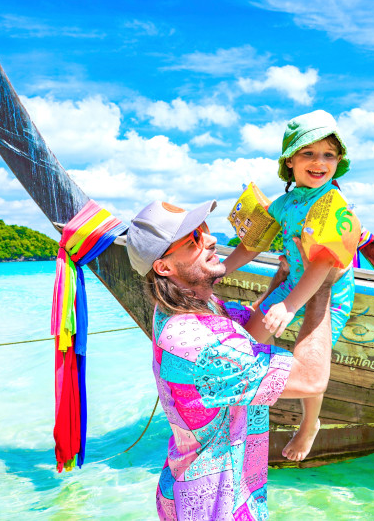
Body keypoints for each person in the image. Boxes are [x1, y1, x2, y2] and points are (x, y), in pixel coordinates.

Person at [127, 199, 338, 521]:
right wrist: (322, 286)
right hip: (214, 503)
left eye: (205, 230)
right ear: (164, 267)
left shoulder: (191, 308)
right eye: (194, 239)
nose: (210, 239)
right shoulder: (197, 341)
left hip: (203, 487)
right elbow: (310, 379)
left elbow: (250, 330)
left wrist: (284, 278)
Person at [221, 110, 357, 462]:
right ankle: (242, 406)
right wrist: (220, 269)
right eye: (308, 153)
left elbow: (324, 263)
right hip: (293, 283)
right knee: (249, 339)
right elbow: (253, 243)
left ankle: (310, 423)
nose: (319, 162)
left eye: (328, 154)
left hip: (329, 290)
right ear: (290, 162)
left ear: (338, 161)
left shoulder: (332, 203)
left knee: (308, 356)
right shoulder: (285, 204)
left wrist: (290, 306)